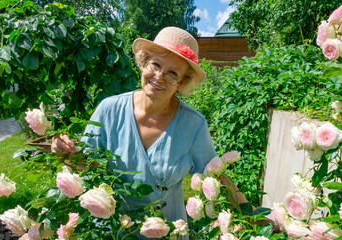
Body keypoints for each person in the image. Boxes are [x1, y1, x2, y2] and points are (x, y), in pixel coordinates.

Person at [51, 26, 250, 238]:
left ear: (182, 82)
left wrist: (253, 215)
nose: (159, 76)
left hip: (169, 231)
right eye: (155, 64)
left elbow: (215, 177)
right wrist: (66, 152)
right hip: (116, 231)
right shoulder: (109, 110)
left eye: (173, 73)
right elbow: (88, 165)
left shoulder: (193, 124)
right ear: (144, 62)